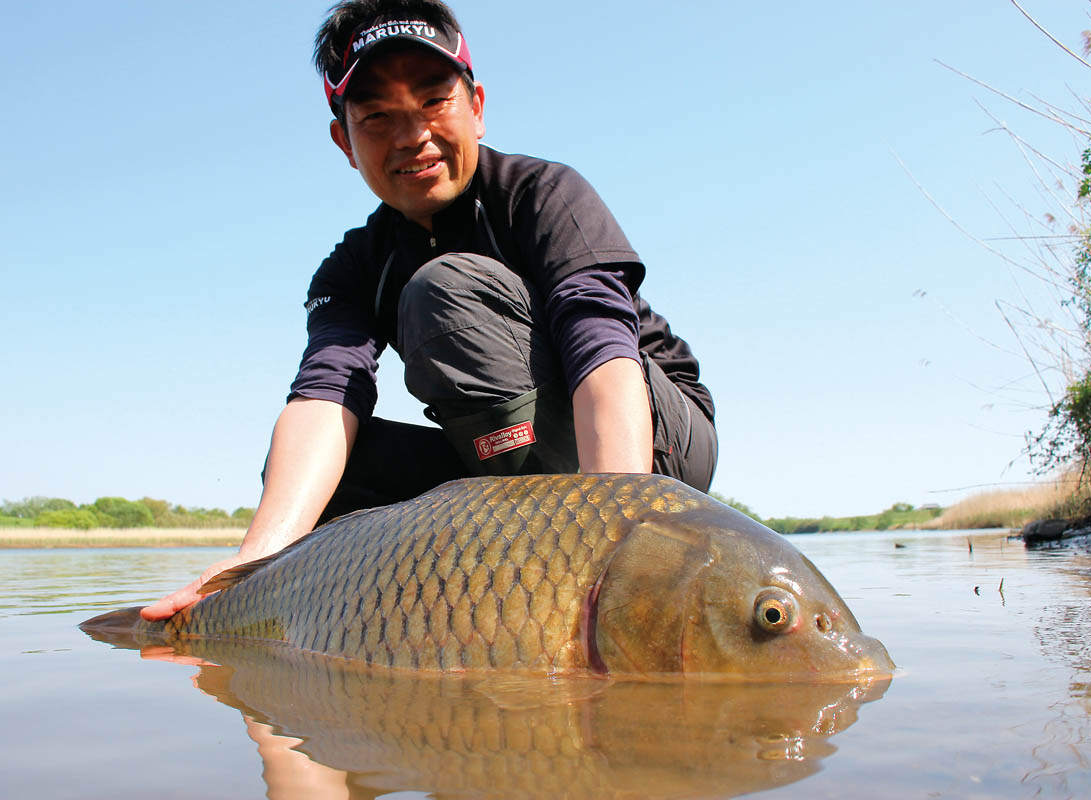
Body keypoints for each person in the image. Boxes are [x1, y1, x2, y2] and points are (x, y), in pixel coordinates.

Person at [141, 0, 716, 621]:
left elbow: (601, 349)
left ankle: (580, 572)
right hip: (501, 461)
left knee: (444, 290)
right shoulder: (355, 265)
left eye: (434, 102)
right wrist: (248, 570)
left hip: (652, 444)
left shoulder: (545, 194)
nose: (412, 137)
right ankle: (425, 628)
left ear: (478, 107)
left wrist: (618, 532)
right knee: (330, 475)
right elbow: (324, 398)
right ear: (345, 141)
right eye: (378, 117)